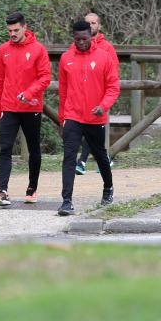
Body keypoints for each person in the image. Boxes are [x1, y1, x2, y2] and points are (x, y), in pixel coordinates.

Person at [57, 20, 120, 216]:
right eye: (77, 39)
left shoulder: (104, 57)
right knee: (69, 157)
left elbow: (113, 87)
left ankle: (108, 188)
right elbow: (63, 90)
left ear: (91, 37)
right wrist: (63, 117)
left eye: (85, 38)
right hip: (73, 115)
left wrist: (104, 106)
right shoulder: (66, 58)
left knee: (100, 155)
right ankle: (66, 201)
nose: (81, 42)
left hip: (95, 117)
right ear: (73, 38)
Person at [0, 12, 51, 206]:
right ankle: (2, 191)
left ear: (25, 28)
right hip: (9, 105)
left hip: (31, 106)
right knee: (6, 148)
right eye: (9, 30)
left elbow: (45, 77)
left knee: (34, 148)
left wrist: (29, 93)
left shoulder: (38, 49)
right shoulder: (3, 50)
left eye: (16, 30)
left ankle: (32, 188)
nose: (13, 34)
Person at [76, 12, 119, 175]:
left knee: (91, 128)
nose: (91, 26)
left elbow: (114, 72)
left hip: (101, 97)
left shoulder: (107, 47)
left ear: (99, 26)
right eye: (88, 23)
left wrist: (107, 96)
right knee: (88, 132)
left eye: (94, 23)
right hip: (82, 96)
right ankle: (105, 158)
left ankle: (82, 161)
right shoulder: (78, 46)